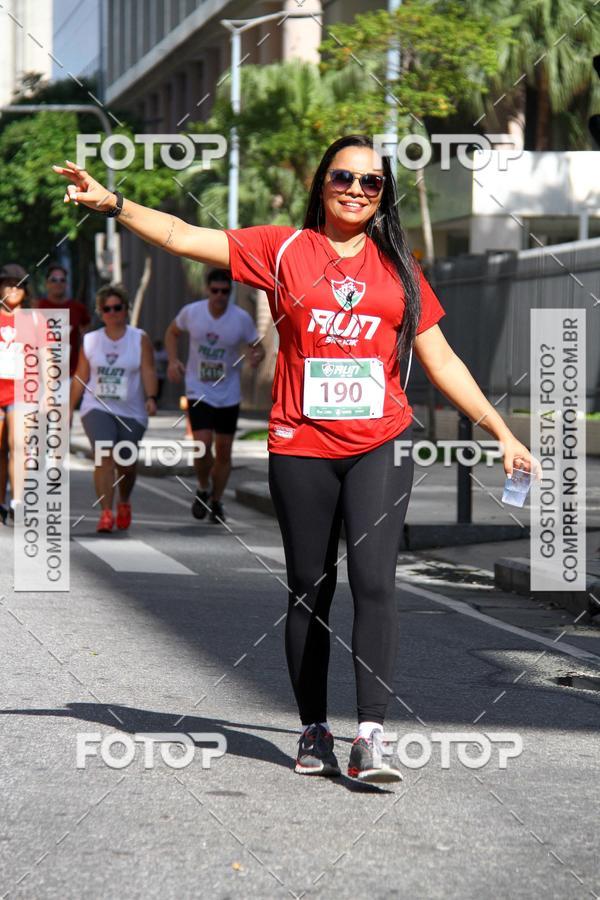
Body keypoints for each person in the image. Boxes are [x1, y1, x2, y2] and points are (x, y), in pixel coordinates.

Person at [54, 136, 537, 783]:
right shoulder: (283, 249)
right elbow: (181, 235)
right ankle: (314, 728)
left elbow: (441, 359)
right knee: (311, 588)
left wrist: (500, 429)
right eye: (344, 177)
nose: (357, 190)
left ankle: (370, 736)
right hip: (301, 445)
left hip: (380, 442)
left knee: (376, 582)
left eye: (371, 182)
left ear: (383, 195)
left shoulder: (400, 270)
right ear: (323, 182)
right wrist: (115, 204)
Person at [164, 268, 264, 523]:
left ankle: (216, 500)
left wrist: (256, 356)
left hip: (228, 392)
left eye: (225, 292)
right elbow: (172, 332)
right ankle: (202, 486)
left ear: (230, 293)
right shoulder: (192, 312)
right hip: (198, 389)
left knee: (224, 450)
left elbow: (257, 346)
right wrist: (173, 361)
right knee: (202, 443)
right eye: (215, 291)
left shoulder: (240, 318)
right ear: (207, 290)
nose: (220, 296)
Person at [70, 284, 157, 533]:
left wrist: (151, 397)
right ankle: (106, 513)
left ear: (126, 309)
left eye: (117, 308)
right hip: (96, 407)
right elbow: (81, 376)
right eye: (106, 309)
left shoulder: (139, 338)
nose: (112, 313)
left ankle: (124, 501)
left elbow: (148, 370)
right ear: (100, 312)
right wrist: (68, 409)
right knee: (104, 456)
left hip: (132, 411)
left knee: (126, 464)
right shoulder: (91, 340)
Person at [0, 264, 29, 525]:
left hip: (21, 392)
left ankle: (17, 500)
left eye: (18, 284)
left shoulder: (33, 320)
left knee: (18, 444)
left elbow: (46, 358)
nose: (13, 288)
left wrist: (49, 393)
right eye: (8, 283)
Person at [35, 263, 91, 377]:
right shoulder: (37, 308)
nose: (58, 283)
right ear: (47, 284)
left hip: (71, 373)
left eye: (62, 280)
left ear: (66, 284)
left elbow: (86, 335)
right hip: (43, 374)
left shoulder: (78, 308)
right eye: (54, 280)